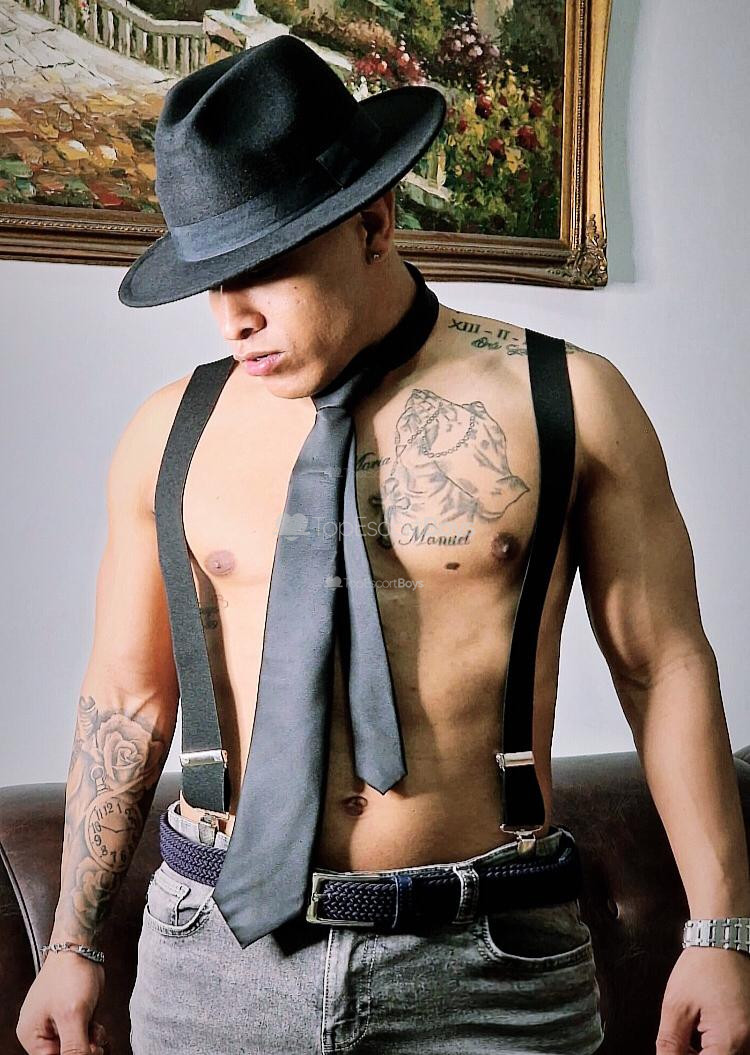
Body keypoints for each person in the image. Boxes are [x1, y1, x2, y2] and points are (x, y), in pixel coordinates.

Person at [17, 34, 750, 1055]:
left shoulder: (567, 401)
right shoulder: (170, 431)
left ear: (374, 221)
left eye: (265, 267)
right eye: (211, 280)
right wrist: (73, 942)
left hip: (491, 962)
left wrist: (720, 930)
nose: (233, 318)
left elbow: (660, 663)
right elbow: (127, 700)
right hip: (213, 957)